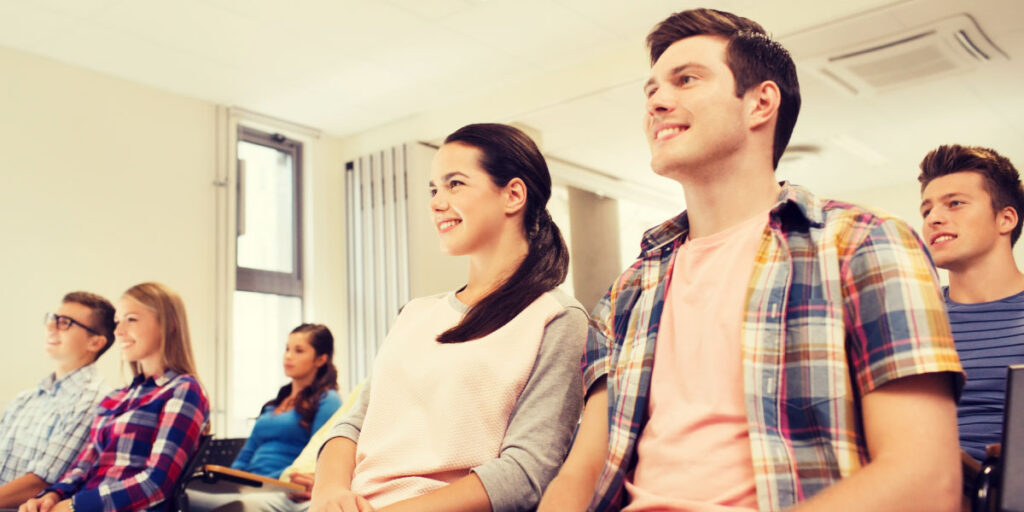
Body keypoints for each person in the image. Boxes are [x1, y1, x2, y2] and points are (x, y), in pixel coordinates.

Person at [539, 8, 964, 512]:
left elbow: (923, 479)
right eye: (650, 90)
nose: (656, 102)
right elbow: (584, 470)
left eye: (686, 79)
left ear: (760, 102)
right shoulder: (629, 290)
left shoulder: (865, 245)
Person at [309, 123, 588, 512]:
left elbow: (525, 475)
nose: (437, 202)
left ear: (513, 194)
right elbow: (354, 423)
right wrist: (328, 493)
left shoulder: (556, 318)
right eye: (434, 189)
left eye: (455, 184)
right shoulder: (414, 313)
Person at [20, 282, 210, 512]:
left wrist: (74, 506)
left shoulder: (183, 390)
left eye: (131, 319)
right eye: (118, 322)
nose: (118, 331)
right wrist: (51, 495)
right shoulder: (114, 398)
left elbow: (156, 485)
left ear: (169, 324)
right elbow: (83, 466)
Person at [919, 145, 1024, 464]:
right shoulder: (916, 322)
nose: (934, 218)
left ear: (1005, 219)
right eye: (926, 211)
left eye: (955, 204)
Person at [189, 324, 342, 511]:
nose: (288, 356)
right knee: (187, 496)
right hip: (251, 485)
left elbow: (321, 456)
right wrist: (230, 479)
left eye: (299, 351)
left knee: (242, 505)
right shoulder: (272, 405)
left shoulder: (328, 400)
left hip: (284, 490)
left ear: (321, 359)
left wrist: (274, 480)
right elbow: (247, 452)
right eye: (287, 349)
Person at [0, 292, 114, 508]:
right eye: (53, 318)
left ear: (95, 342)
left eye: (65, 323)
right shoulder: (25, 399)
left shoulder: (97, 401)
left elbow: (40, 484)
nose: (51, 327)